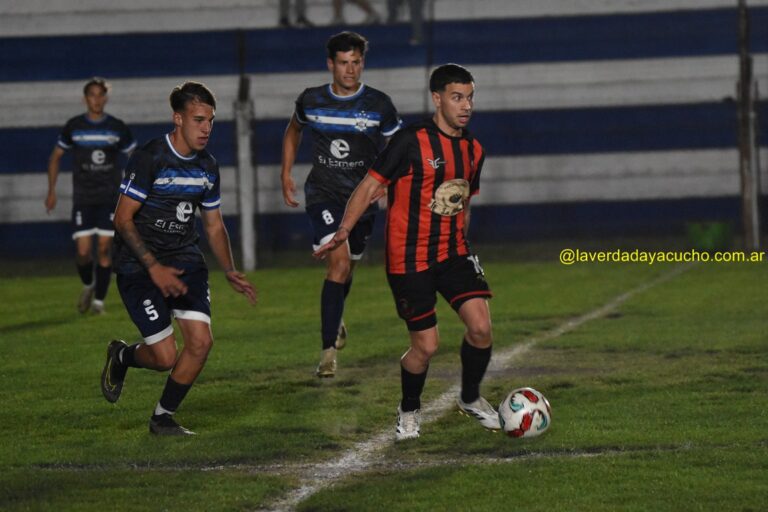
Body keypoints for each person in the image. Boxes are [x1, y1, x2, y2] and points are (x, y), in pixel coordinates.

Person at [314, 64, 499, 440]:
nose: (466, 105)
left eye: (470, 97)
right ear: (437, 99)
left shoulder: (473, 149)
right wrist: (344, 229)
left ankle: (469, 398)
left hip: (453, 252)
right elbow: (368, 186)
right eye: (457, 97)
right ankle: (409, 410)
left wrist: (462, 241)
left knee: (481, 329)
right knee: (426, 346)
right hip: (409, 259)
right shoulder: (409, 141)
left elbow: (464, 201)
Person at [100, 81, 256, 436]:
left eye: (211, 121)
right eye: (199, 120)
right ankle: (123, 356)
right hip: (137, 266)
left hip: (186, 260)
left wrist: (229, 269)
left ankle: (162, 418)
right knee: (164, 357)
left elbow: (214, 226)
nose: (206, 128)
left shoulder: (208, 167)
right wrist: (153, 268)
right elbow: (122, 219)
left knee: (201, 342)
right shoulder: (150, 157)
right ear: (178, 119)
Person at [281, 31, 402, 378]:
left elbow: (399, 149)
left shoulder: (379, 105)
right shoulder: (311, 100)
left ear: (362, 63)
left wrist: (388, 183)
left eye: (356, 62)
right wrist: (285, 173)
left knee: (346, 267)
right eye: (344, 63)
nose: (350, 70)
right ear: (330, 64)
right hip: (324, 194)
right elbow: (293, 130)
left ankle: (336, 317)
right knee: (337, 264)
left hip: (363, 200)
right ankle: (327, 353)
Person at [45, 77, 137, 315]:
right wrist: (52, 191)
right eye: (92, 95)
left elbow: (135, 159)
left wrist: (133, 190)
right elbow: (55, 157)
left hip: (109, 197)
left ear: (105, 98)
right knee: (84, 252)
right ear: (85, 99)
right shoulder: (74, 127)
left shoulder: (117, 127)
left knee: (105, 250)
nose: (96, 99)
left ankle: (99, 303)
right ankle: (88, 284)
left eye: (100, 95)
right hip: (83, 198)